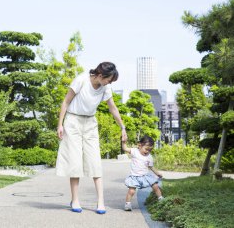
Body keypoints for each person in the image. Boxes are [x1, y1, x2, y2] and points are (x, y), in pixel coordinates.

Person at [55, 62, 128, 214]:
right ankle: (75, 200)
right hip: (73, 121)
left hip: (90, 123)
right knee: (74, 162)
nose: (110, 83)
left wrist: (123, 127)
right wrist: (60, 124)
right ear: (100, 75)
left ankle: (100, 202)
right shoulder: (81, 80)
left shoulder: (105, 87)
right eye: (109, 80)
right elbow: (66, 101)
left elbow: (112, 107)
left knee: (95, 161)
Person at [121, 135, 164, 211]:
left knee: (155, 185)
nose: (147, 151)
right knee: (131, 191)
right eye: (146, 149)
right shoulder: (135, 151)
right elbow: (125, 148)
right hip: (134, 176)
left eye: (150, 150)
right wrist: (124, 142)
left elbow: (151, 167)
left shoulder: (149, 156)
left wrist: (157, 173)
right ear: (140, 145)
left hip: (145, 176)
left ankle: (160, 198)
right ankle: (127, 204)